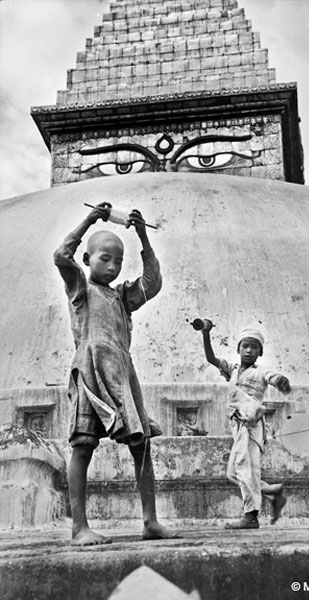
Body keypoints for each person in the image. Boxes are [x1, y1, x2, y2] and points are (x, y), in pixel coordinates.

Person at [54, 202, 177, 545]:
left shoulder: (122, 297)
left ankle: (150, 521)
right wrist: (90, 220)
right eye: (104, 258)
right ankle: (79, 527)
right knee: (83, 446)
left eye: (118, 261)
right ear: (87, 260)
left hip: (122, 376)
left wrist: (143, 236)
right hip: (91, 373)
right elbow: (61, 256)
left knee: (142, 447)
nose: (111, 266)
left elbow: (152, 284)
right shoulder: (80, 288)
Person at [200, 321, 291, 529]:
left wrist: (280, 381)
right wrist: (206, 334)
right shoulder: (232, 370)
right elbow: (210, 358)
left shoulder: (260, 372)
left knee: (246, 468)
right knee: (234, 472)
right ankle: (272, 492)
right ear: (238, 349)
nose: (249, 351)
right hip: (237, 424)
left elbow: (272, 377)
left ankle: (251, 516)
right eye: (245, 346)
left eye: (254, 347)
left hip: (250, 424)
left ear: (260, 352)